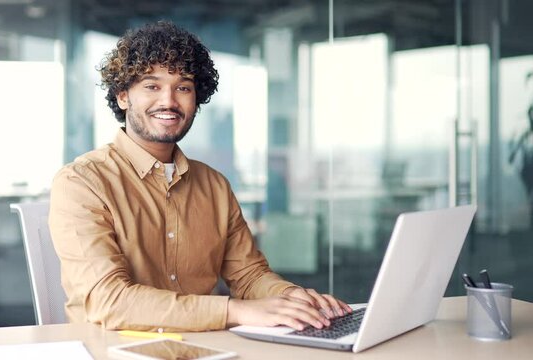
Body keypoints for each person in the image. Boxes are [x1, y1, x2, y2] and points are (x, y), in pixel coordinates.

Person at [49, 21, 351, 332]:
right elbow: (108, 300)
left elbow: (249, 275)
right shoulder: (82, 182)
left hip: (207, 349)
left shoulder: (214, 185)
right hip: (113, 351)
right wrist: (236, 311)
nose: (168, 101)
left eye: (183, 87)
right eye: (152, 86)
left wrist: (292, 298)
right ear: (123, 96)